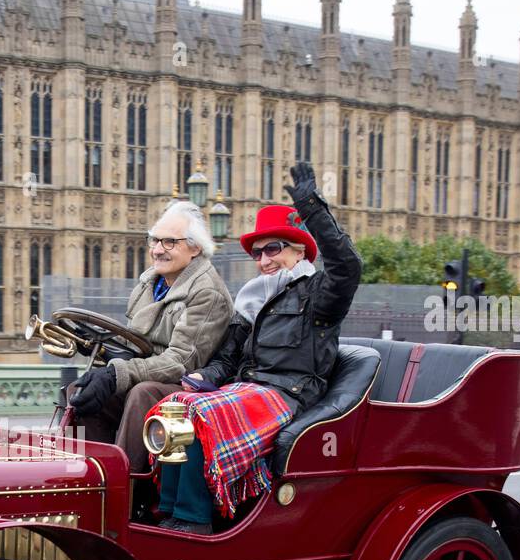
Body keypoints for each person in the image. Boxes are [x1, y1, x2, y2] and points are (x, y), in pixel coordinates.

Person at [148, 162, 363, 534]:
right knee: (174, 407)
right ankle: (169, 510)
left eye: (274, 249)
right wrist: (204, 376)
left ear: (299, 253)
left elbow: (348, 266)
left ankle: (194, 520)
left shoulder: (318, 295)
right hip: (249, 389)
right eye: (258, 253)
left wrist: (311, 206)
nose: (264, 260)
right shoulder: (251, 300)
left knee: (200, 417)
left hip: (288, 395)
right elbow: (228, 357)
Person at [67, 200, 234, 473]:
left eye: (169, 242)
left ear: (195, 248)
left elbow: (180, 362)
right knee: (80, 390)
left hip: (193, 387)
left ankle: (127, 485)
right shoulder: (151, 281)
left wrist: (115, 375)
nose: (157, 250)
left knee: (141, 394)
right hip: (153, 373)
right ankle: (88, 474)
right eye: (154, 241)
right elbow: (135, 342)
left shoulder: (207, 292)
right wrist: (97, 347)